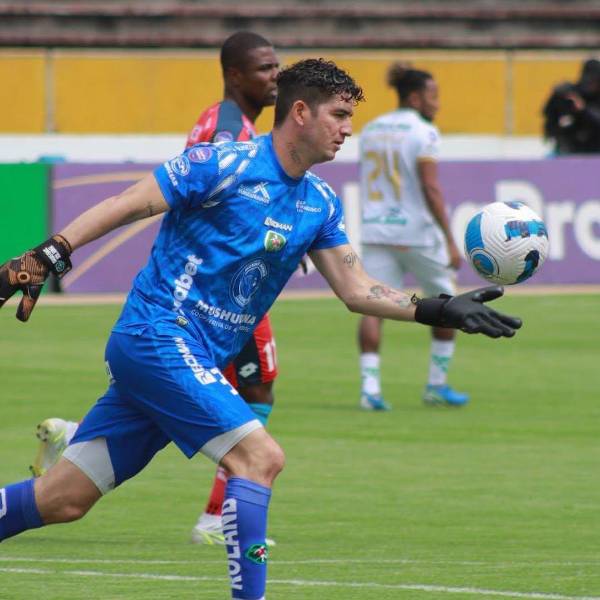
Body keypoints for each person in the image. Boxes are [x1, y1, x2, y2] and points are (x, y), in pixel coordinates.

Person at [0, 58, 521, 600]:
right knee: (260, 457)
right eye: (339, 115)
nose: (348, 129)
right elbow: (124, 204)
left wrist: (440, 309)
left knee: (62, 499)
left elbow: (356, 288)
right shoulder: (220, 164)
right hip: (157, 337)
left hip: (184, 358)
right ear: (301, 112)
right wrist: (48, 255)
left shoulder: (319, 202)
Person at [29, 31, 281, 547]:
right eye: (264, 68)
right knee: (252, 391)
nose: (275, 76)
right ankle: (216, 517)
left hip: (214, 281)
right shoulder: (229, 129)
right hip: (220, 285)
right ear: (234, 75)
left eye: (277, 66)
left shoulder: (225, 120)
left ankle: (77, 438)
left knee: (177, 398)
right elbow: (226, 199)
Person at [357, 63, 467, 410]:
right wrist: (450, 239)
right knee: (448, 302)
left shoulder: (371, 129)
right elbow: (430, 188)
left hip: (376, 229)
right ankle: (436, 385)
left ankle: (370, 390)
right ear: (416, 97)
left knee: (373, 306)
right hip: (416, 233)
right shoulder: (424, 132)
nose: (437, 103)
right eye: (433, 95)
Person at [542, 57, 600, 155]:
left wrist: (583, 110)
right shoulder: (570, 93)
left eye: (595, 81)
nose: (591, 85)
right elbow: (548, 115)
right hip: (568, 149)